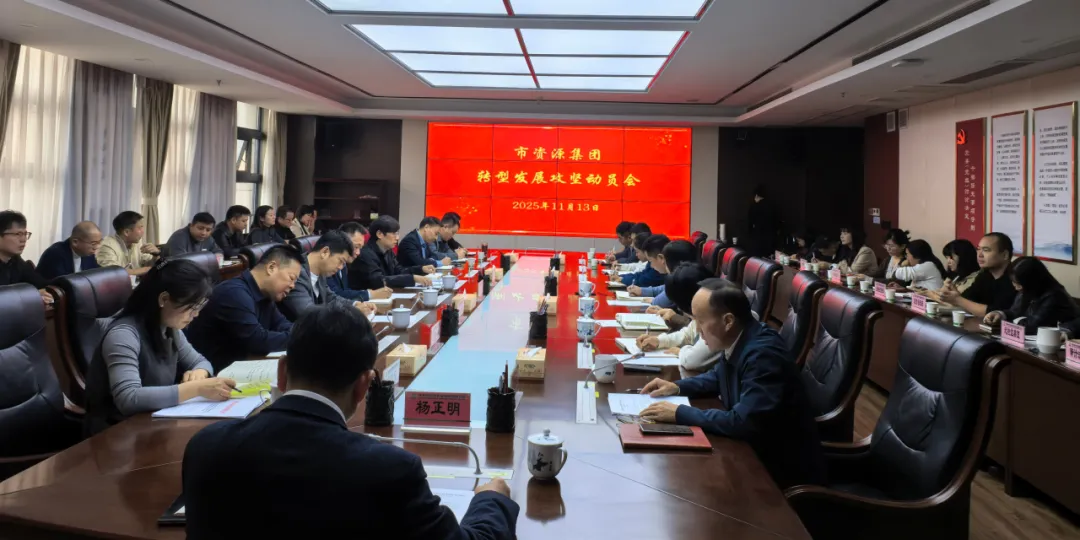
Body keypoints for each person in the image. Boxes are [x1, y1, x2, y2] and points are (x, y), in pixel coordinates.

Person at [181, 303, 520, 538]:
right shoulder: (390, 470)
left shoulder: (206, 447)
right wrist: (492, 499)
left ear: (281, 372)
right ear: (364, 385)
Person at [639, 278, 826, 489]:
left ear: (728, 321)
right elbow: (717, 376)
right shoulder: (741, 337)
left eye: (700, 321)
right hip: (751, 453)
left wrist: (679, 413)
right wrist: (678, 387)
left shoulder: (762, 355)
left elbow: (743, 421)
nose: (697, 330)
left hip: (776, 473)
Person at [83, 259, 237, 435]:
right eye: (191, 307)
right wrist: (196, 388)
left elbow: (200, 361)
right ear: (164, 299)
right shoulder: (123, 334)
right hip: (114, 435)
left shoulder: (168, 327)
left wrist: (199, 373)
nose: (195, 314)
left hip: (152, 424)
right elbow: (128, 398)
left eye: (199, 307)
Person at [184, 245, 299, 372]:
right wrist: (300, 337)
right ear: (271, 267)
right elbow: (257, 341)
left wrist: (299, 334)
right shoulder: (234, 293)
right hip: (212, 372)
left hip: (243, 365)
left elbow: (282, 324)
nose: (293, 286)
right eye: (291, 278)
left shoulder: (265, 294)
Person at [279, 230, 377, 322]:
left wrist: (355, 305)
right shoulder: (296, 273)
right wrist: (352, 312)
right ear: (325, 252)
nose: (340, 267)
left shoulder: (320, 272)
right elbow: (309, 313)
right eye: (341, 261)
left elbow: (330, 298)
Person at [638, 263, 717, 370]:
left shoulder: (714, 318)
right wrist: (659, 341)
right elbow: (688, 334)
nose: (698, 328)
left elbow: (692, 360)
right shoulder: (702, 313)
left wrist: (681, 352)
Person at [983, 257, 1079, 334]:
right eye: (1013, 281)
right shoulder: (1027, 290)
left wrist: (1008, 322)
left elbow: (1032, 327)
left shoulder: (1055, 296)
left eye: (1018, 283)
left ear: (1031, 282)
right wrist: (1000, 315)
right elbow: (1015, 312)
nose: (1015, 286)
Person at [935, 233, 1017, 318]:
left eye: (986, 250)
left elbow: (994, 312)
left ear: (1005, 255)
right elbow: (967, 301)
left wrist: (958, 299)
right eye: (978, 249)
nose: (979, 255)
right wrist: (953, 293)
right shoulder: (985, 275)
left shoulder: (1015, 278)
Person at [350, 216, 434, 290]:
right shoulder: (366, 254)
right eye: (394, 233)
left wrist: (420, 269)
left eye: (398, 233)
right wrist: (412, 278)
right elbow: (379, 280)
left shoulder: (388, 251)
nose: (397, 238)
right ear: (379, 234)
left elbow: (399, 271)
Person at [327, 222, 392, 302]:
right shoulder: (327, 264)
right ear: (342, 241)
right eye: (356, 247)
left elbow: (345, 291)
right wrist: (370, 294)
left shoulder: (344, 264)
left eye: (360, 248)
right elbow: (335, 294)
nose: (358, 253)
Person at [0, 210, 52, 306]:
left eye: (25, 234)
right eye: (18, 234)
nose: (23, 239)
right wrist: (32, 295)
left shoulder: (15, 260)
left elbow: (41, 284)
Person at [629, 238, 696, 309]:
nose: (651, 266)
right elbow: (665, 288)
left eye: (650, 261)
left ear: (661, 258)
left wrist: (654, 301)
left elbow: (660, 302)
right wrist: (642, 291)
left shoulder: (680, 280)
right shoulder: (694, 273)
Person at [97, 211, 159, 276]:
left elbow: (148, 262)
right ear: (126, 232)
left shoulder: (135, 243)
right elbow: (114, 272)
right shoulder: (106, 246)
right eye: (140, 227)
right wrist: (147, 269)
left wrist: (156, 254)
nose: (143, 231)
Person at [36, 221, 103, 280]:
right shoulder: (55, 254)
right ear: (75, 242)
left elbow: (96, 274)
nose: (97, 247)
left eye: (99, 242)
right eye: (93, 243)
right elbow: (61, 283)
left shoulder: (88, 254)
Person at [747, 185, 776, 257]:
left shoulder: (754, 207)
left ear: (756, 195)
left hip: (757, 238)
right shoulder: (771, 206)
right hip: (770, 239)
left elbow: (750, 223)